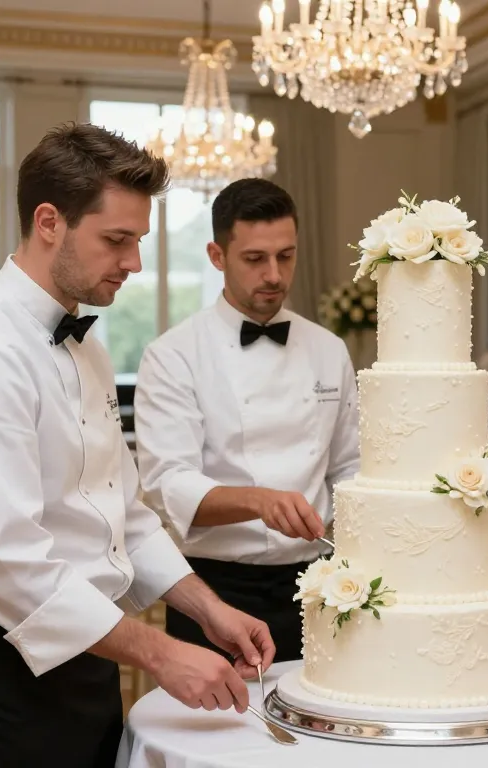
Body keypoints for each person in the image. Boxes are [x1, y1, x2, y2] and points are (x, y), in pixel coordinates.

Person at [0, 123, 276, 768]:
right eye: (116, 240)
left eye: (138, 242)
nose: (132, 263)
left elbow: (126, 514)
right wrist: (160, 652)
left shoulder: (86, 344)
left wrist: (207, 608)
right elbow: (8, 565)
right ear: (49, 221)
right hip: (0, 686)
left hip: (92, 662)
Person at [134, 178, 359, 663]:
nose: (274, 274)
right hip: (216, 590)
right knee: (217, 733)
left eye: (286, 256)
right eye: (255, 259)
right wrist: (260, 501)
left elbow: (349, 466)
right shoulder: (174, 355)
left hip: (317, 586)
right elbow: (168, 485)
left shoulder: (328, 348)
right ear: (217, 256)